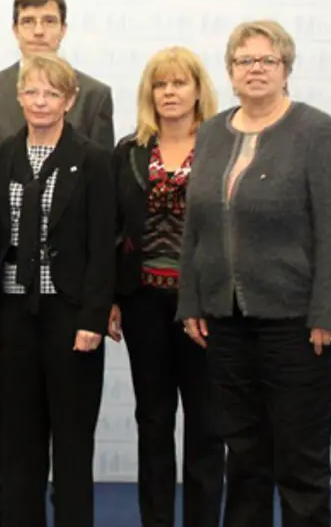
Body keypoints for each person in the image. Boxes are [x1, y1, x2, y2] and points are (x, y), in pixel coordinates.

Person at [177, 19, 331, 527]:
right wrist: (192, 300)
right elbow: (196, 226)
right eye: (244, 61)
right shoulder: (211, 132)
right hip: (225, 324)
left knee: (300, 462)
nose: (255, 70)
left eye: (267, 60)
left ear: (286, 69)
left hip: (298, 325)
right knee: (245, 459)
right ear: (229, 72)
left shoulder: (316, 132)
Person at [0, 0, 114, 527]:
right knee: (18, 438)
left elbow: (103, 243)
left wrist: (93, 316)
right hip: (11, 315)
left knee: (71, 439)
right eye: (32, 94)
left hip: (70, 315)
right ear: (19, 98)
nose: (41, 102)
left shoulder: (94, 160)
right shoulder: (1, 156)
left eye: (52, 94)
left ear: (69, 100)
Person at [109, 47, 224, 527]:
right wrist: (112, 298)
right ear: (149, 93)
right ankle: (155, 519)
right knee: (152, 420)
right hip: (143, 305)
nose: (170, 92)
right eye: (161, 84)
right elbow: (113, 230)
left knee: (206, 424)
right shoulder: (129, 150)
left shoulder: (223, 145)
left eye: (180, 83)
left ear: (198, 89)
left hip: (205, 307)